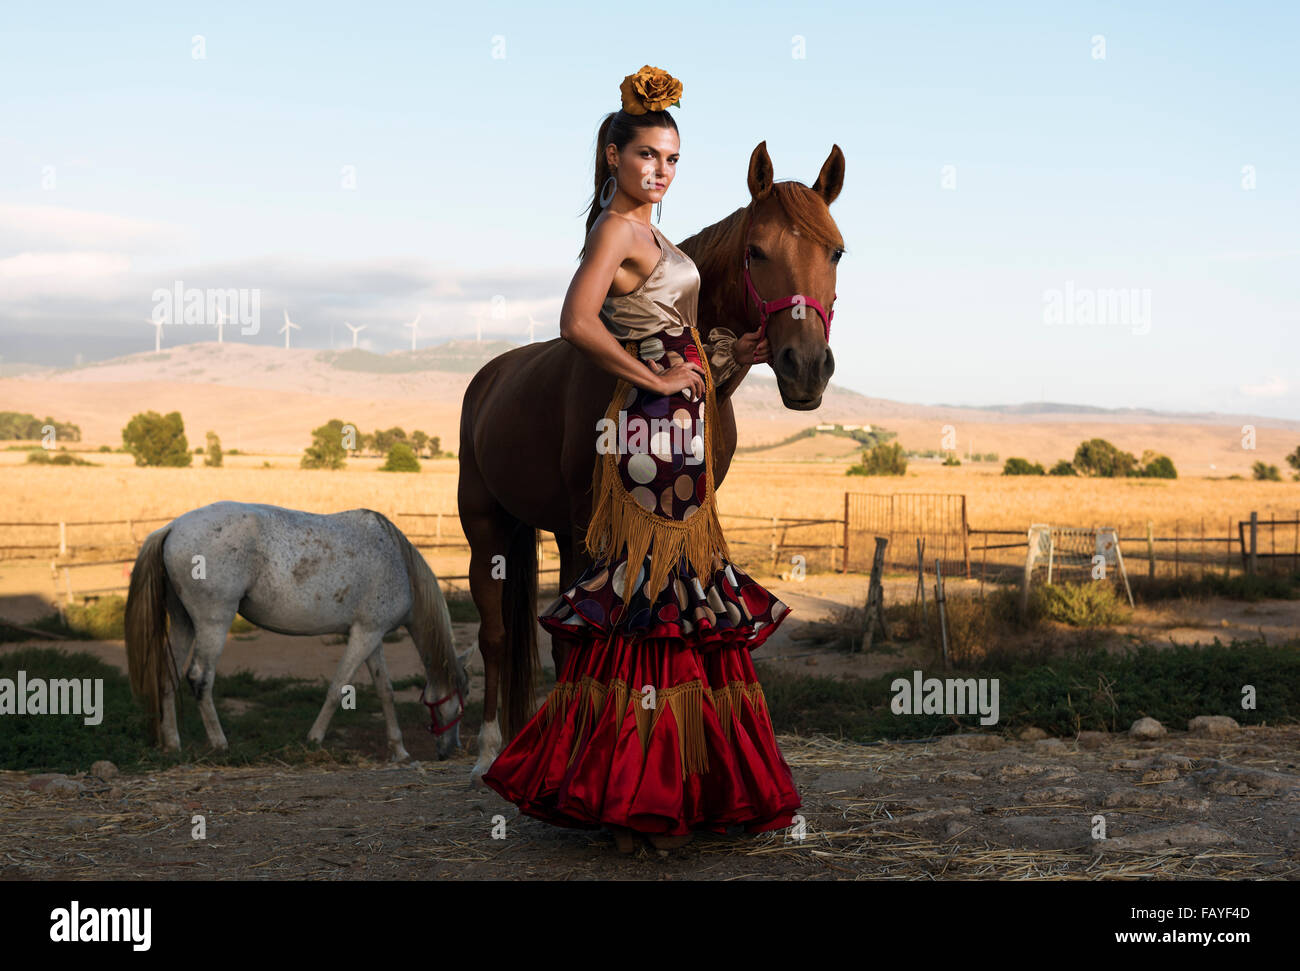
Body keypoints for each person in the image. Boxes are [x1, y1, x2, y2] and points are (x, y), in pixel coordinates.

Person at [481, 65, 800, 855]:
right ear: (614, 157)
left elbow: (682, 333)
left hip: (686, 430)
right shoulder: (618, 231)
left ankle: (678, 788)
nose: (659, 171)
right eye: (648, 156)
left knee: (681, 606)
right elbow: (576, 319)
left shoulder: (657, 237)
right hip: (645, 437)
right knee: (646, 609)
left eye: (673, 159)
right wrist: (652, 375)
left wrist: (735, 353)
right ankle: (628, 803)